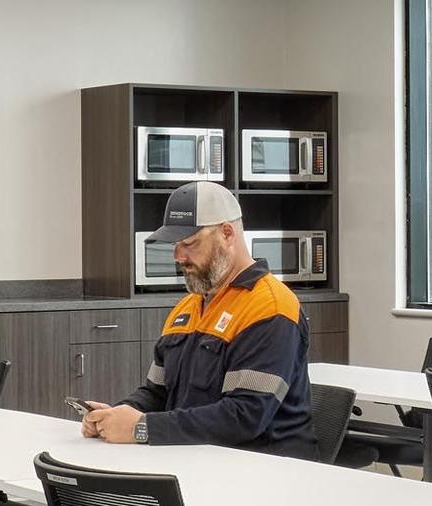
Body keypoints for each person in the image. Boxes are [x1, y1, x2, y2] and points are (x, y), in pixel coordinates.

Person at [79, 180, 312, 451]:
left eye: (190, 243)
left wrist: (143, 427)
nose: (179, 256)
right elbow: (158, 393)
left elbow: (245, 417)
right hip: (197, 460)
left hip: (266, 470)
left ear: (227, 234)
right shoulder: (187, 308)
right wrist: (116, 416)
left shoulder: (271, 308)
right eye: (175, 244)